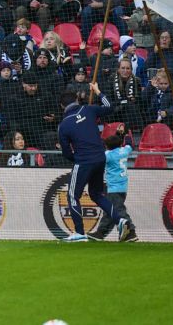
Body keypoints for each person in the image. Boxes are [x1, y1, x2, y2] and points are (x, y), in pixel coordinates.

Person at [56, 82, 123, 241]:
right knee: (96, 194)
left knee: (72, 196)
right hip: (100, 158)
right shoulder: (89, 109)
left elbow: (66, 152)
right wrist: (98, 91)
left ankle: (79, 233)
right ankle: (121, 220)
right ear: (77, 100)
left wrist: (77, 160)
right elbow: (110, 107)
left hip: (84, 161)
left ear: (61, 106)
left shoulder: (63, 125)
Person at [94, 130, 139, 242]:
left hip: (112, 188)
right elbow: (130, 144)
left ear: (107, 146)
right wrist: (126, 134)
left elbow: (98, 159)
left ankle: (131, 232)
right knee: (109, 210)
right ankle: (101, 233)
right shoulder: (124, 151)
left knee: (118, 211)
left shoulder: (107, 155)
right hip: (123, 188)